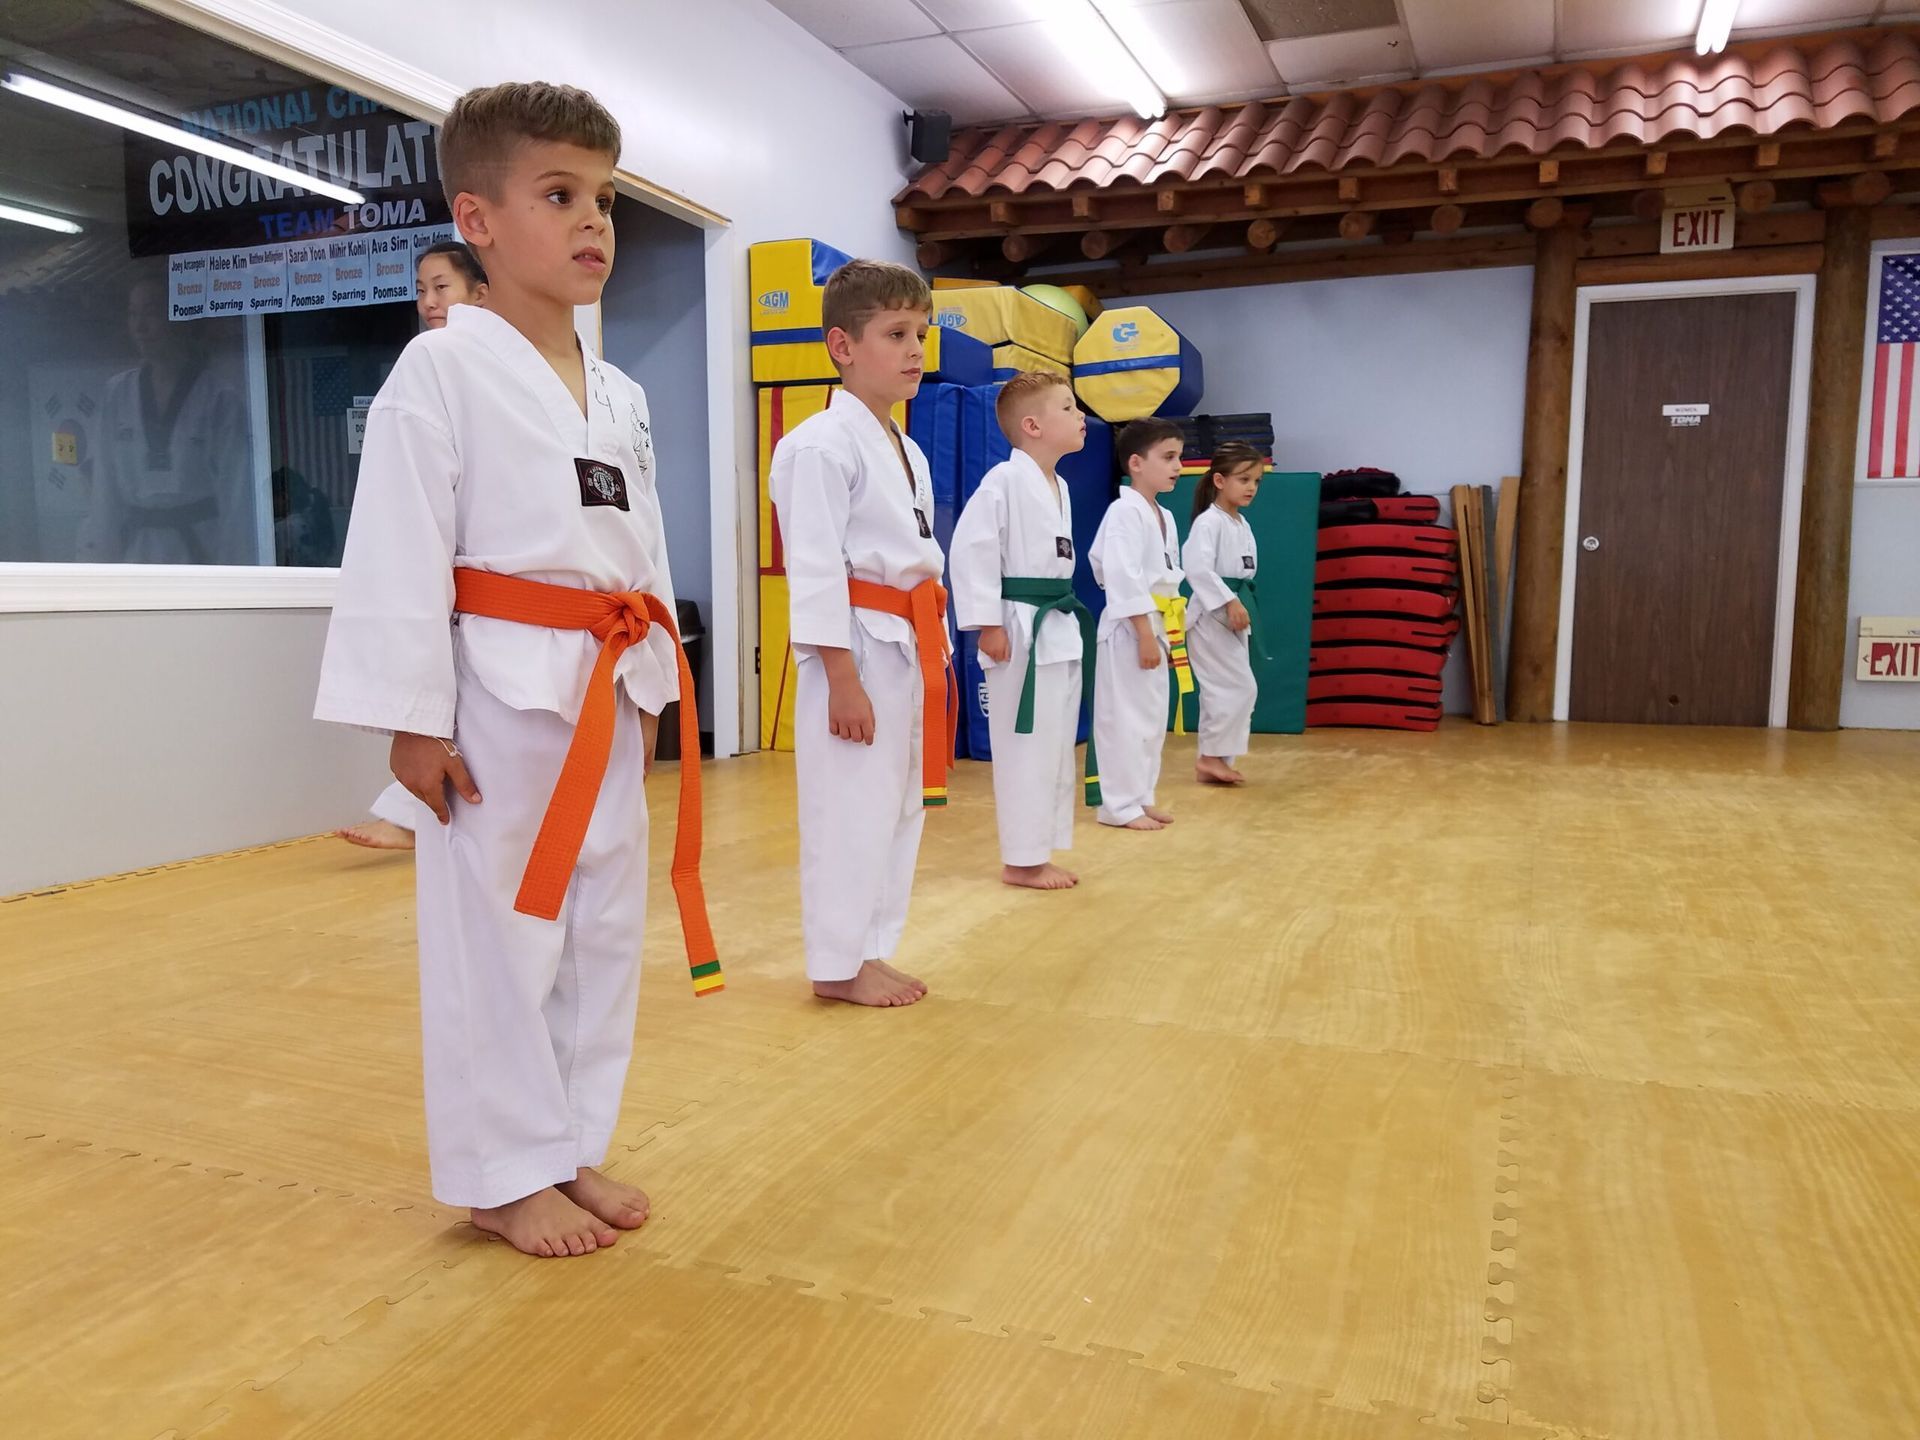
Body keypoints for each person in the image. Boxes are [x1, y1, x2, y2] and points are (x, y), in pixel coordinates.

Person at [315, 81, 719, 1259]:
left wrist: (656, 683)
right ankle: (501, 1174)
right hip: (497, 695)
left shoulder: (620, 392)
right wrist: (410, 719)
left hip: (608, 683)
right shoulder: (438, 370)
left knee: (599, 928)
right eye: (559, 194)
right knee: (500, 939)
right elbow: (397, 545)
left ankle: (568, 1142)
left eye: (605, 198)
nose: (593, 219)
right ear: (477, 220)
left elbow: (641, 549)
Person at [768, 259, 953, 1008]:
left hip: (909, 640)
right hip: (856, 648)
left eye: (921, 335)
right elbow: (814, 571)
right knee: (848, 810)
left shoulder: (906, 448)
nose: (915, 350)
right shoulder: (817, 445)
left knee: (898, 805)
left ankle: (870, 947)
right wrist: (841, 679)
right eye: (896, 334)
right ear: (842, 345)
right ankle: (836, 962)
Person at [338, 241, 491, 851]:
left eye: (442, 287)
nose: (429, 301)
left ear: (481, 293)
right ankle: (409, 814)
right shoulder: (424, 367)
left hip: (493, 592)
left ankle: (410, 816)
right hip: (446, 577)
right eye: (421, 290)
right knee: (436, 704)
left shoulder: (505, 372)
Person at [949, 371, 1089, 891]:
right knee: (1023, 746)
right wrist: (986, 624)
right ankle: (1021, 860)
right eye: (1068, 408)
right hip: (1017, 624)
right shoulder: (1003, 481)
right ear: (1032, 426)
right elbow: (972, 550)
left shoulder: (1061, 487)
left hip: (1056, 623)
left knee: (1054, 745)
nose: (1081, 417)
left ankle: (1039, 850)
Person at [76, 274, 254, 564]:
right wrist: (98, 562)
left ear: (178, 318)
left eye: (151, 313)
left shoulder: (219, 399)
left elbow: (237, 497)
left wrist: (236, 571)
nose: (140, 327)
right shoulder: (117, 394)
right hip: (135, 554)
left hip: (202, 550)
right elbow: (103, 491)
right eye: (133, 314)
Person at [1088, 418, 1185, 832]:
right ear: (1136, 463)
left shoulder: (1164, 515)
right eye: (1168, 457)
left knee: (1150, 717)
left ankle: (1141, 796)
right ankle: (1118, 805)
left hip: (1160, 622)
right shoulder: (1124, 511)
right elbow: (1121, 574)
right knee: (1124, 718)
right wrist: (1144, 632)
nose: (1178, 466)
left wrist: (1170, 632)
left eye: (1179, 457)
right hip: (1131, 628)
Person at [1181, 441, 1265, 786]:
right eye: (1243, 479)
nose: (1251, 487)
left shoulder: (1241, 524)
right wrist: (1229, 601)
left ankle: (1216, 759)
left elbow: (1246, 570)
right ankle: (1211, 758)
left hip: (1232, 612)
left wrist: (1238, 602)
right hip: (1209, 616)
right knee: (1233, 686)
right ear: (1219, 480)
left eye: (1256, 481)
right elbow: (1197, 568)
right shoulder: (1208, 522)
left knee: (1232, 687)